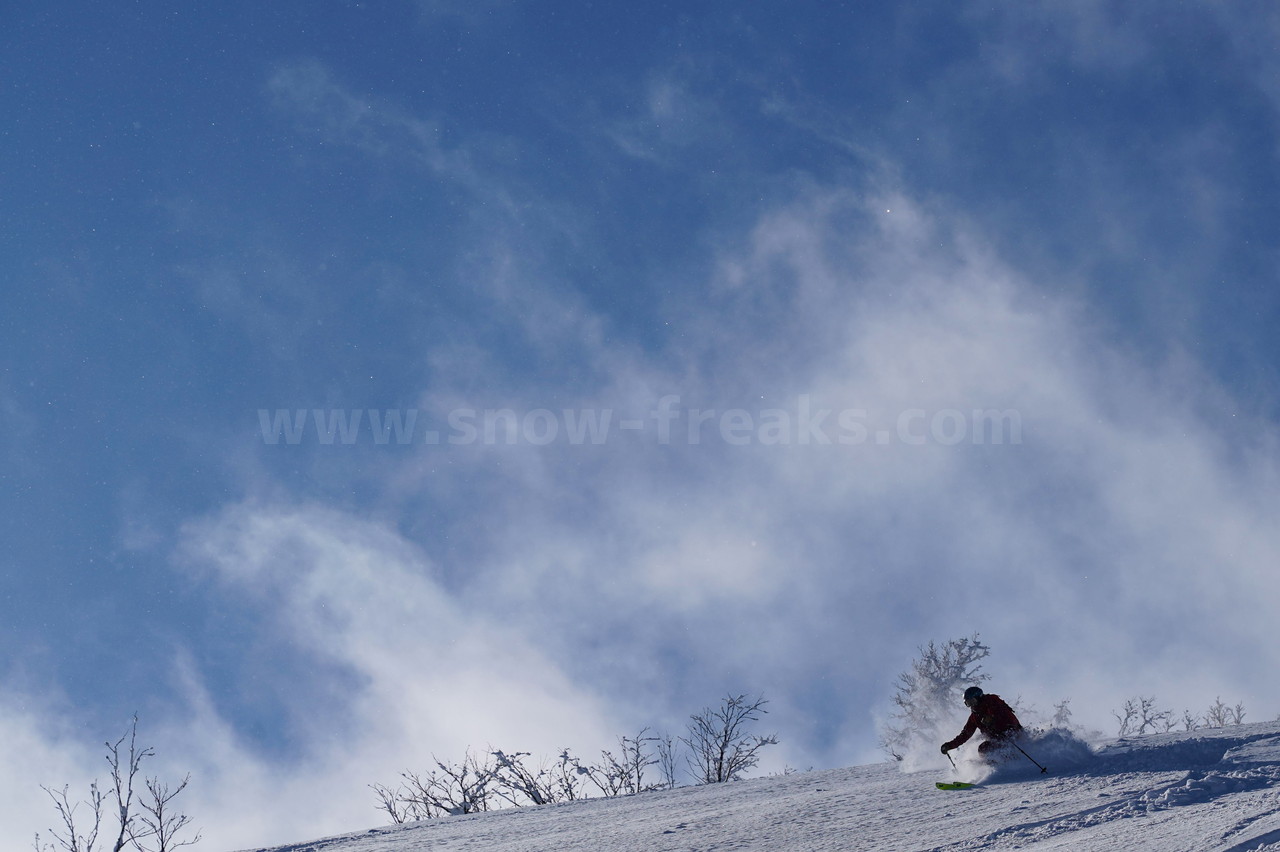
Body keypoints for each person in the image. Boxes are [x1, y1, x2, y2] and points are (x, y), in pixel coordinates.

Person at [941, 686, 1023, 758]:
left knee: (986, 747)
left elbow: (1004, 713)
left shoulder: (993, 702)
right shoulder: (975, 717)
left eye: (973, 701)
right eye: (968, 703)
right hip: (997, 739)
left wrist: (992, 718)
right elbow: (966, 734)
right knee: (983, 748)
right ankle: (993, 766)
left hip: (1011, 734)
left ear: (979, 698)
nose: (972, 705)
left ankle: (1012, 759)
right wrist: (949, 745)